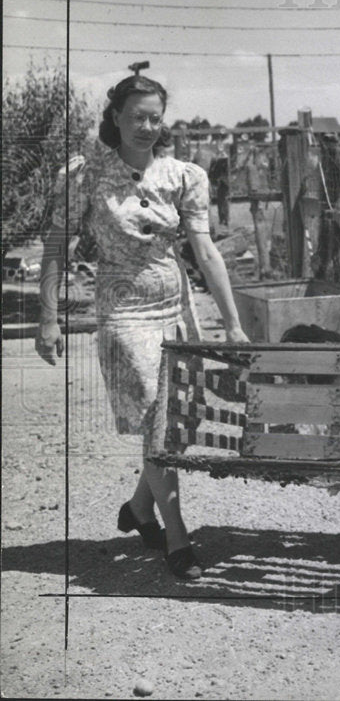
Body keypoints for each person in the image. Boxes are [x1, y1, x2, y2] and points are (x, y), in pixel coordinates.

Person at [35, 75, 249, 580]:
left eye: (155, 117)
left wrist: (233, 325)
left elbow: (206, 251)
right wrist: (48, 317)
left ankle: (138, 509)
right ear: (115, 118)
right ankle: (178, 538)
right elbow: (53, 245)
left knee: (171, 420)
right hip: (121, 312)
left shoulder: (184, 175)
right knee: (157, 412)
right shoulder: (85, 176)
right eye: (136, 117)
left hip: (174, 307)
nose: (147, 127)